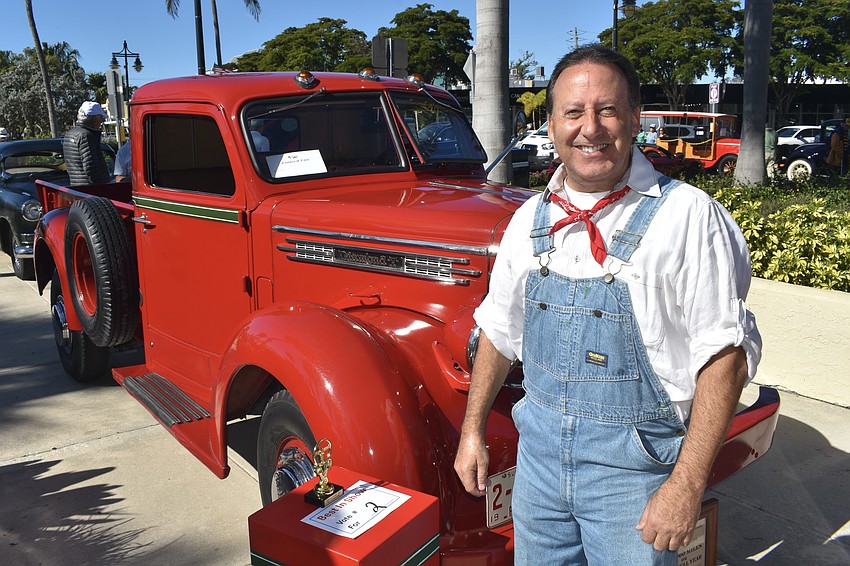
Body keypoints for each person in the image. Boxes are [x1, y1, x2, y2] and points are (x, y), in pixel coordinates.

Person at [454, 44, 761, 566]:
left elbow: (725, 358)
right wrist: (472, 431)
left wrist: (686, 485)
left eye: (608, 110)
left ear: (635, 119)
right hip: (538, 469)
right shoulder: (528, 219)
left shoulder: (689, 217)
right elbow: (498, 331)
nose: (590, 128)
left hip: (635, 476)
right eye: (573, 112)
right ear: (550, 125)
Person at [63, 101, 111, 185]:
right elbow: (91, 168)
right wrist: (102, 187)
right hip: (89, 189)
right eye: (100, 119)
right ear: (94, 120)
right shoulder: (86, 136)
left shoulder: (70, 134)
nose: (100, 123)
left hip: (77, 185)